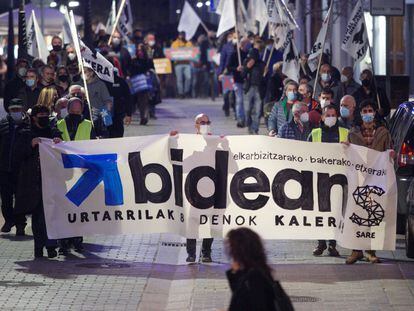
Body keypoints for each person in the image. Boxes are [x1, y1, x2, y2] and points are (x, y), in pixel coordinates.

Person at [345, 100, 394, 264]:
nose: (367, 113)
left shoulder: (383, 132)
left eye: (370, 110)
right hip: (358, 179)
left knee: (373, 215)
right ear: (360, 114)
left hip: (376, 180)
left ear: (374, 113)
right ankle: (355, 250)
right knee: (357, 214)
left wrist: (391, 154)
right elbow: (347, 156)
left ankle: (371, 251)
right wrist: (345, 148)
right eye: (364, 111)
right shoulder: (353, 133)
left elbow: (389, 150)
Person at [15, 105, 61, 258]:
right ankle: (39, 248)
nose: (44, 117)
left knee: (51, 215)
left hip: (52, 180)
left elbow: (63, 151)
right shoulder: (25, 133)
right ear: (34, 117)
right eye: (41, 114)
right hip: (33, 182)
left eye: (46, 114)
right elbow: (19, 154)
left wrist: (59, 142)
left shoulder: (53, 131)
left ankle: (51, 246)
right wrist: (30, 145)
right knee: (38, 217)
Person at [170, 113, 214, 263]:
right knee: (192, 222)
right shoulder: (188, 142)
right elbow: (177, 159)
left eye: (207, 122)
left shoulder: (216, 141)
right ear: (195, 125)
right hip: (192, 189)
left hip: (212, 188)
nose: (205, 124)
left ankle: (206, 252)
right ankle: (191, 253)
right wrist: (172, 140)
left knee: (211, 222)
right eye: (202, 122)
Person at [55, 97, 96, 254]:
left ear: (82, 110)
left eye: (78, 111)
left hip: (82, 172)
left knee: (79, 208)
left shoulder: (88, 125)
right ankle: (64, 241)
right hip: (63, 172)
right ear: (68, 109)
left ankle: (77, 239)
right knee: (63, 208)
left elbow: (94, 147)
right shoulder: (59, 125)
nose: (75, 113)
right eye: (73, 111)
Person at [308, 105, 349, 257]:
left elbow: (354, 153)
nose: (331, 117)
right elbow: (304, 153)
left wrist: (349, 147)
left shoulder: (345, 133)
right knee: (320, 212)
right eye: (328, 115)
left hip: (339, 180)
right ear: (323, 117)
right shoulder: (315, 133)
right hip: (319, 179)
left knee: (336, 212)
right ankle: (320, 243)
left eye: (334, 114)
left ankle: (332, 245)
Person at [225, 228, 293, 311]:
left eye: (231, 247)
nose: (229, 252)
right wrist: (235, 274)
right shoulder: (256, 272)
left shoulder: (255, 278)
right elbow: (242, 300)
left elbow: (255, 305)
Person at [0, 99, 30, 235]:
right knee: (5, 199)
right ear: (9, 110)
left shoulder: (29, 125)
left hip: (22, 170)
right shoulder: (2, 124)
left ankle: (20, 225)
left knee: (21, 199)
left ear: (22, 109)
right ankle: (8, 220)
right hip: (5, 168)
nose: (15, 112)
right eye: (13, 110)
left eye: (18, 109)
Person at [242, 39, 265, 134]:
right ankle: (249, 124)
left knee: (258, 110)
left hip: (258, 89)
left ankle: (255, 128)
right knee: (247, 109)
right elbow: (242, 75)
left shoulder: (261, 64)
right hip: (249, 88)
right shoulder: (246, 62)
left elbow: (265, 77)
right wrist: (247, 67)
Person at [227, 38, 249, 127]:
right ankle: (240, 119)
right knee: (239, 100)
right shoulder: (234, 54)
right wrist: (236, 68)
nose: (245, 45)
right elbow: (228, 67)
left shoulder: (249, 54)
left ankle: (246, 119)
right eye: (244, 43)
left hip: (247, 81)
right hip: (237, 81)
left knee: (246, 101)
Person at [130, 43, 154, 125]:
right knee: (137, 101)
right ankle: (141, 115)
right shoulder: (133, 60)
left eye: (141, 50)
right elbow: (130, 71)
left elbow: (152, 69)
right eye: (138, 50)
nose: (139, 52)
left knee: (144, 100)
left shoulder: (148, 60)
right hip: (136, 84)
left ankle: (144, 116)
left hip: (145, 83)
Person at [106, 67, 133, 138]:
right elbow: (128, 98)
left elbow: (128, 98)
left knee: (115, 131)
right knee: (109, 131)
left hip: (116, 112)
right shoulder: (105, 82)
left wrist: (129, 114)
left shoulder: (121, 82)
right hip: (108, 111)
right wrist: (129, 114)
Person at [218, 31, 236, 116]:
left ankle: (234, 108)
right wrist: (220, 73)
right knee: (226, 93)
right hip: (227, 72)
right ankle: (226, 107)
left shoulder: (240, 46)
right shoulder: (226, 47)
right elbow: (222, 61)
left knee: (233, 94)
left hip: (236, 73)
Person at [171, 31, 193, 98]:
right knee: (179, 79)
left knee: (188, 78)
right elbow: (172, 53)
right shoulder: (174, 43)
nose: (182, 36)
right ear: (179, 36)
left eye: (183, 35)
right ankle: (181, 93)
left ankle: (186, 91)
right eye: (181, 35)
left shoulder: (189, 43)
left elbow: (192, 52)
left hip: (187, 63)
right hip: (178, 64)